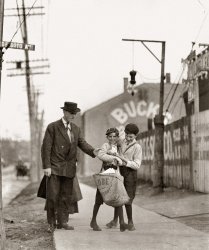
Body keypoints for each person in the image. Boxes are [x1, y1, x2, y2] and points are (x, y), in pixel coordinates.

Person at [41, 101, 96, 233]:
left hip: (69, 168)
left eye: (75, 113)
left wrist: (95, 151)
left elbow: (82, 144)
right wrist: (46, 166)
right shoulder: (53, 127)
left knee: (66, 196)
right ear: (64, 112)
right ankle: (51, 223)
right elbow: (46, 148)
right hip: (54, 167)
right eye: (71, 113)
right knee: (53, 196)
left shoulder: (76, 129)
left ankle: (62, 222)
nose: (73, 115)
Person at [90, 127, 128, 232]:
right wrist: (114, 158)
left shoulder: (119, 148)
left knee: (118, 197)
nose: (112, 138)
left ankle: (121, 223)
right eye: (110, 136)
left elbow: (122, 160)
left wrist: (118, 159)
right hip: (105, 173)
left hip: (115, 174)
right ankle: (93, 221)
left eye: (114, 136)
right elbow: (101, 155)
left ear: (117, 137)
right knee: (99, 198)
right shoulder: (105, 146)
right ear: (107, 137)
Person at [106, 123, 142, 231]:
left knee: (127, 199)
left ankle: (130, 222)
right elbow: (113, 145)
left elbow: (137, 165)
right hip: (120, 171)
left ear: (136, 136)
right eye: (127, 135)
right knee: (118, 197)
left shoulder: (137, 147)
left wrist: (123, 159)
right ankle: (115, 220)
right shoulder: (121, 142)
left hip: (131, 173)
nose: (128, 138)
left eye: (131, 137)